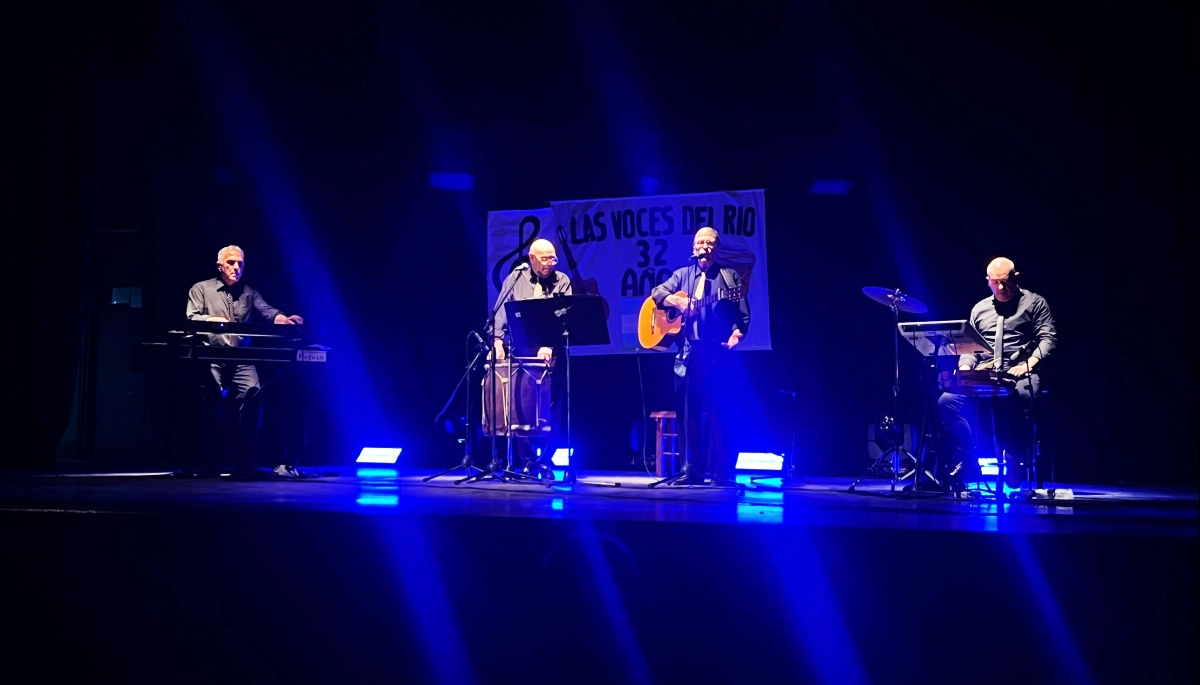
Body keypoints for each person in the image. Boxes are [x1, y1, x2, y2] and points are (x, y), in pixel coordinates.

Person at [937, 257, 1057, 492]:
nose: (1001, 288)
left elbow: (1048, 338)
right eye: (996, 283)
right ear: (988, 282)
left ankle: (1015, 458)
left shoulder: (1035, 303)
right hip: (985, 373)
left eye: (1006, 282)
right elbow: (969, 349)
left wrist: (1029, 364)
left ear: (1016, 278)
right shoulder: (980, 309)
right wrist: (965, 368)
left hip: (1020, 371)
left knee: (1026, 395)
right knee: (948, 402)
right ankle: (970, 461)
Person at [185, 245, 304, 471]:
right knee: (212, 401)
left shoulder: (249, 292)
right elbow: (192, 317)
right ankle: (208, 460)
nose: (236, 268)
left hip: (241, 359)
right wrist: (212, 320)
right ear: (220, 265)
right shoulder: (201, 288)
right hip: (213, 356)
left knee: (253, 396)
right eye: (231, 263)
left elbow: (268, 312)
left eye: (240, 263)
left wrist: (285, 319)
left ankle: (248, 460)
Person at [650, 227, 751, 486]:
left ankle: (721, 473)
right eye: (699, 242)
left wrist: (736, 335)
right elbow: (656, 293)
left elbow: (742, 316)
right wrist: (676, 301)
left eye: (709, 242)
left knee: (721, 411)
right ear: (693, 248)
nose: (703, 246)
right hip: (687, 352)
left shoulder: (729, 279)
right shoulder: (683, 275)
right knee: (688, 411)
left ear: (717, 247)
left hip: (717, 352)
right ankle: (692, 469)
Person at [490, 238, 572, 481]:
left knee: (553, 410)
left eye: (553, 258)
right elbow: (500, 313)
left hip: (551, 354)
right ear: (531, 258)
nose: (550, 263)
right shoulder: (515, 279)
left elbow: (564, 320)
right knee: (521, 408)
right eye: (545, 258)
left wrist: (549, 344)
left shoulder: (562, 281)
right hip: (521, 353)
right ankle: (526, 461)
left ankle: (545, 460)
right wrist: (496, 341)